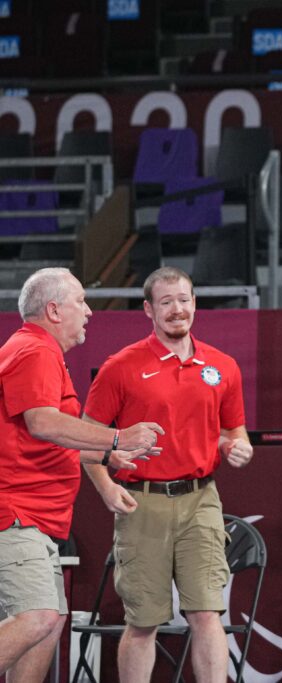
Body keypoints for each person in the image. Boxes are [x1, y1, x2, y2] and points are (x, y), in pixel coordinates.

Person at [80, 266, 253, 683]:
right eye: (167, 302)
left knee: (206, 613)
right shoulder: (120, 367)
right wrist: (105, 488)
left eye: (185, 300)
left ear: (195, 302)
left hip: (201, 499)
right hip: (142, 501)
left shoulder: (222, 366)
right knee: (143, 621)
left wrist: (236, 445)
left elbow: (234, 429)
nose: (178, 310)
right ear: (148, 309)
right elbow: (86, 441)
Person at [0, 268, 162, 682]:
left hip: (37, 516)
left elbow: (44, 436)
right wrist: (116, 436)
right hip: (17, 511)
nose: (89, 311)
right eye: (81, 302)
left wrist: (106, 453)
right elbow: (42, 422)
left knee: (51, 622)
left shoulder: (39, 351)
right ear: (53, 310)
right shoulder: (35, 350)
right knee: (37, 617)